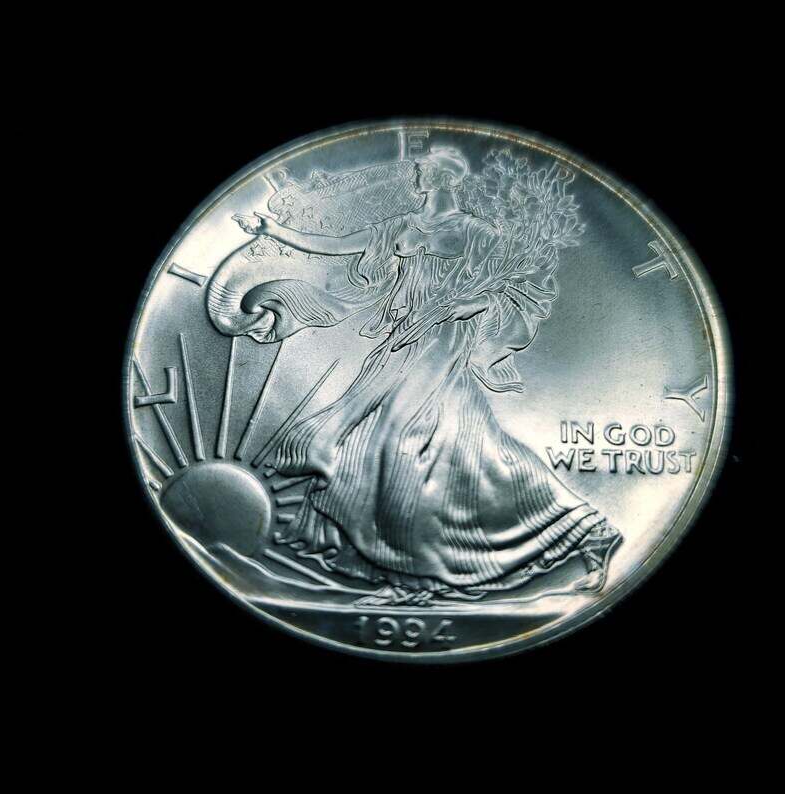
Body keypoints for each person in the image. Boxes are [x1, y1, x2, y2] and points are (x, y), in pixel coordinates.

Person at [212, 146, 620, 605]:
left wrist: (467, 304)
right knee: (465, 448)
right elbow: (336, 244)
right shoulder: (401, 226)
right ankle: (585, 532)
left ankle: (417, 580)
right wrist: (273, 230)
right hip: (401, 340)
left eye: (426, 170)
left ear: (445, 177)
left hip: (443, 340)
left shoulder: (478, 233)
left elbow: (513, 291)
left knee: (397, 440)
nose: (419, 175)